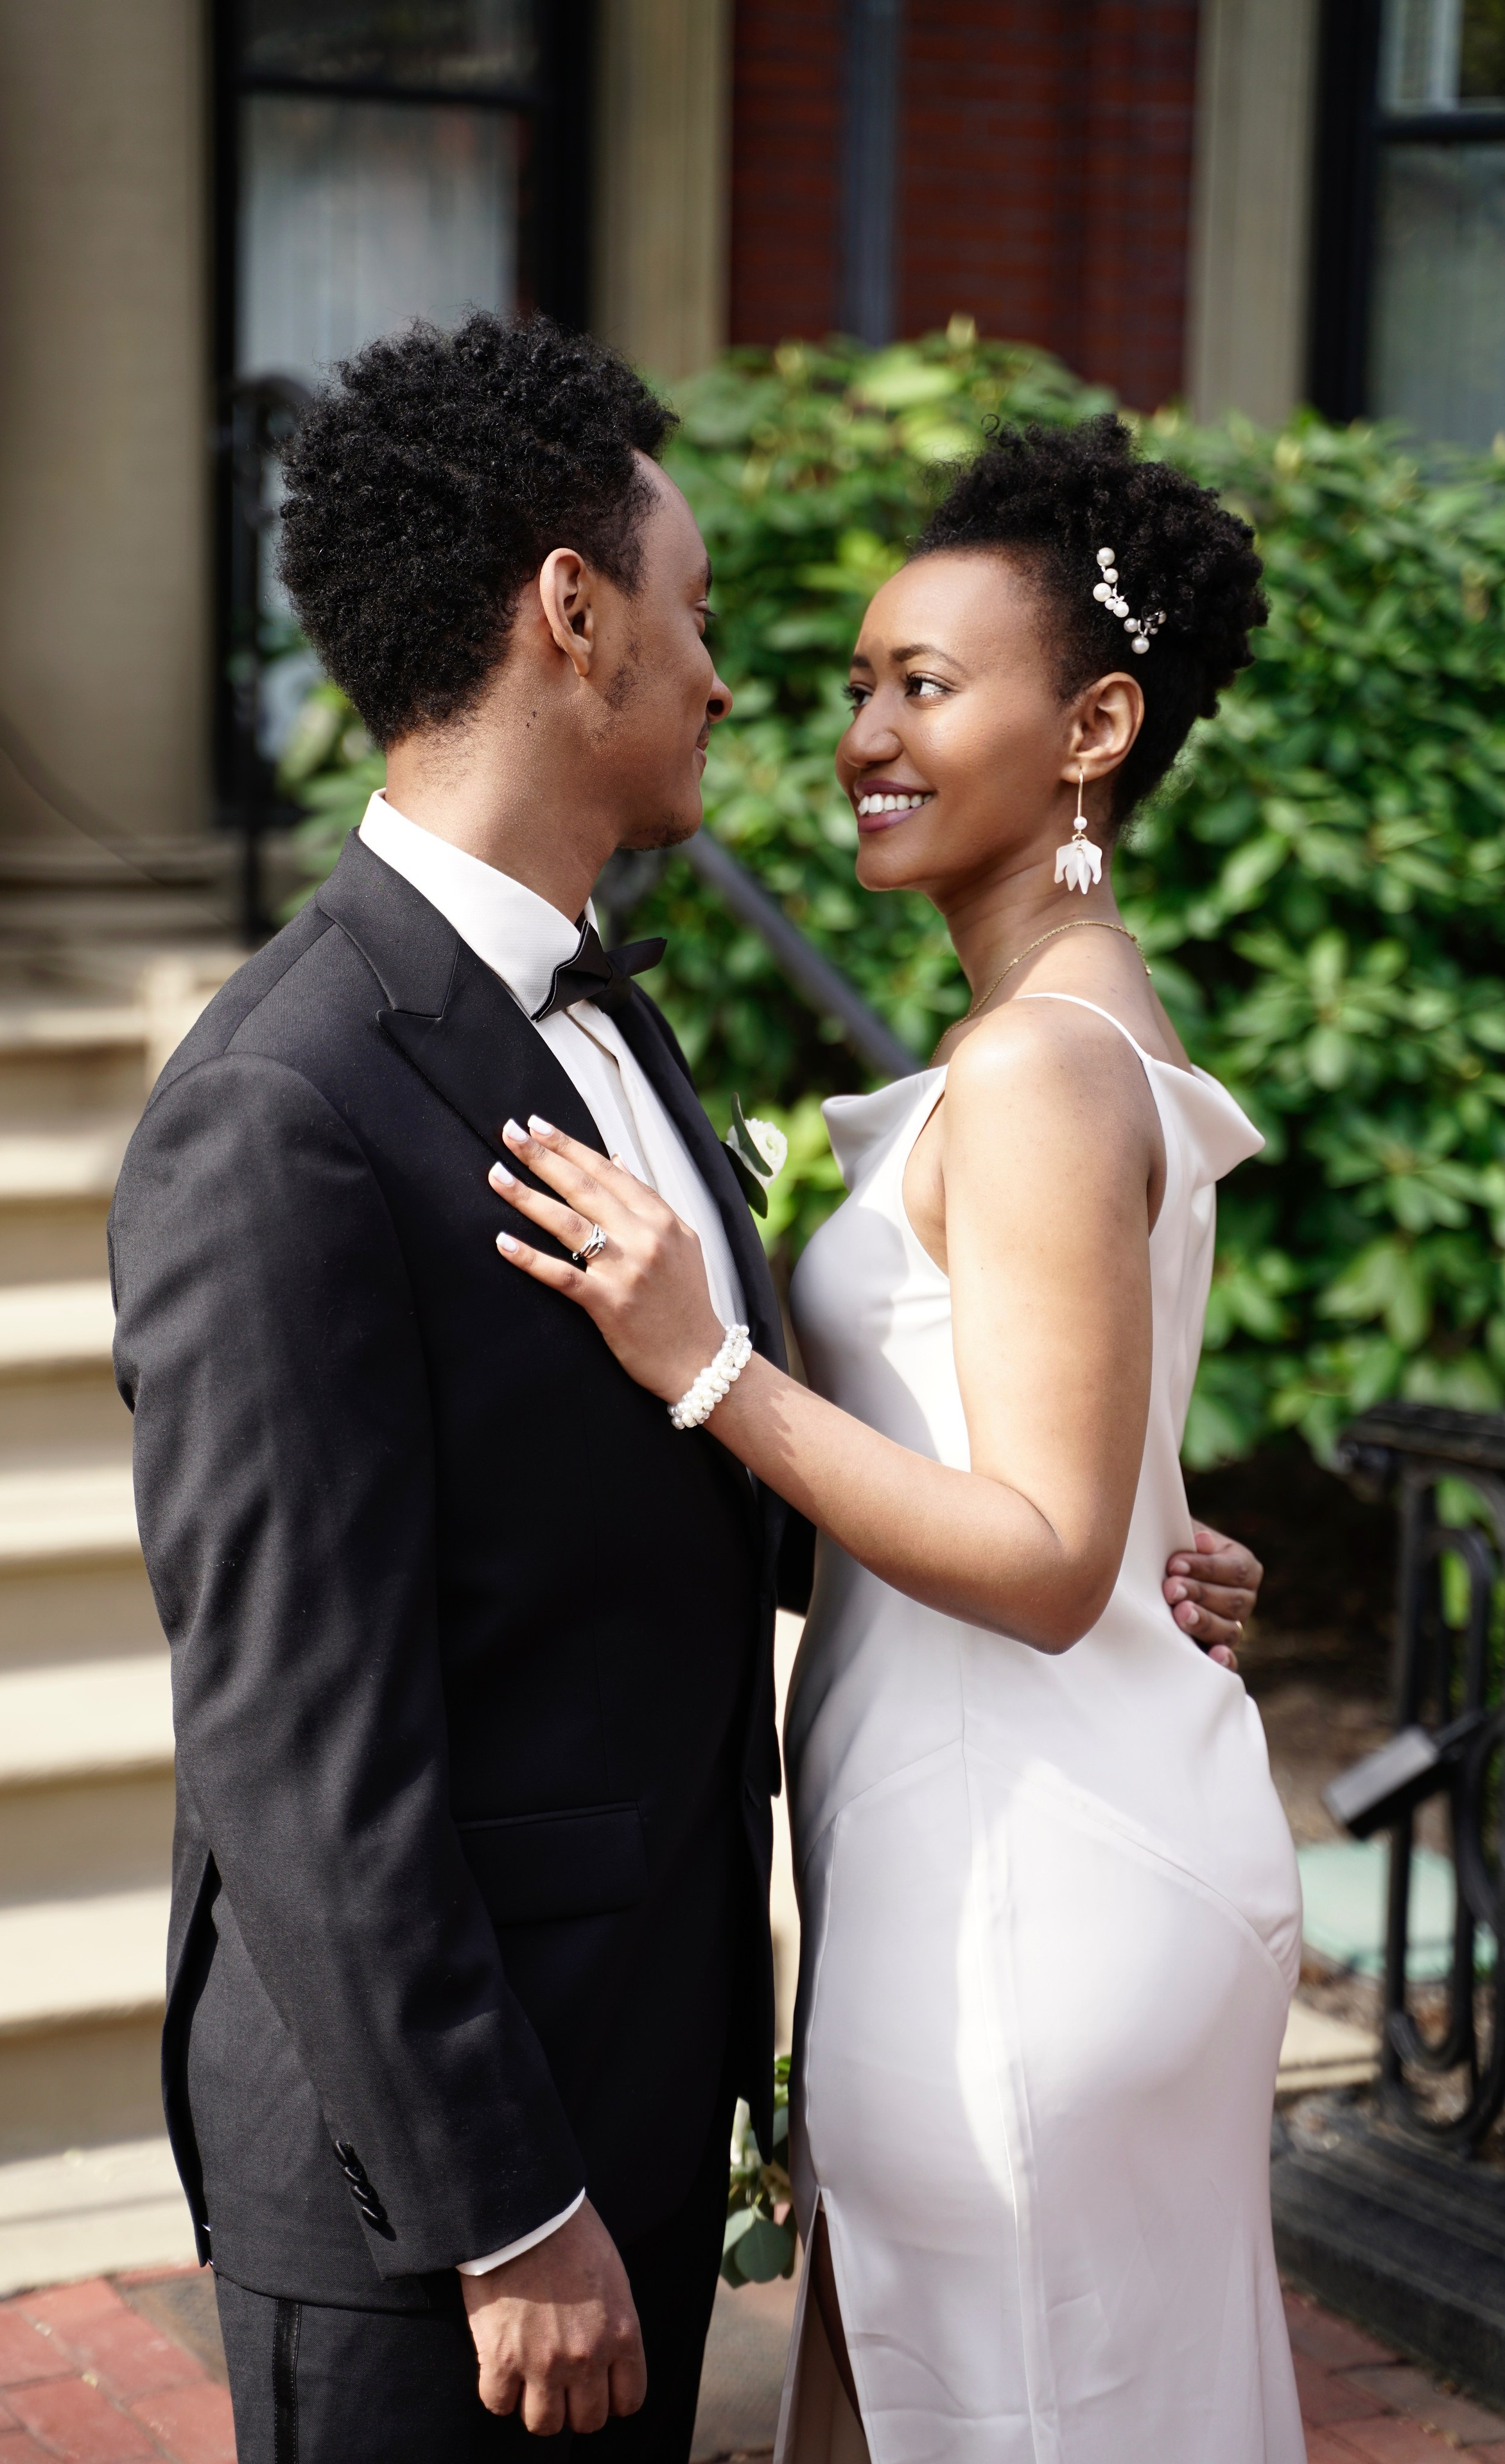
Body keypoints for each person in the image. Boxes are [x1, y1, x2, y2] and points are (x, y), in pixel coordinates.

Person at [110, 319, 1266, 2463]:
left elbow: (668, 1496)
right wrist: (503, 2206)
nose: (746, 691)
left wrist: (1088, 1571)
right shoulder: (281, 1103)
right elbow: (286, 1733)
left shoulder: (607, 1011)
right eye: (713, 620)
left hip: (659, 2082)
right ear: (575, 613)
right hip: (439, 2193)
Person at [487, 413, 1305, 2463]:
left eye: (927, 685)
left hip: (1023, 1881)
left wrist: (708, 1365)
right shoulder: (1104, 1021)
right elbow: (1083, 1477)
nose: (862, 730)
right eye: (861, 680)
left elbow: (1032, 1557)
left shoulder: (1035, 1064)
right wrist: (1167, 1547)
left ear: (1097, 724)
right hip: (1028, 1830)